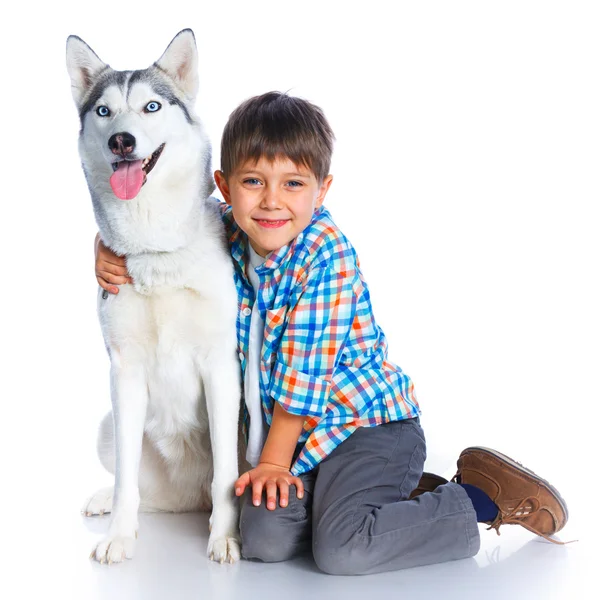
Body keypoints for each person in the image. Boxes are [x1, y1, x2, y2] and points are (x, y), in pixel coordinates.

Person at [93, 91, 569, 575]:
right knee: (261, 541)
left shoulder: (326, 256)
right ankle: (371, 498)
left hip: (365, 428)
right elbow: (163, 222)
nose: (272, 201)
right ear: (224, 185)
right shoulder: (225, 231)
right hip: (299, 445)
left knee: (343, 550)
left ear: (322, 190)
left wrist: (275, 466)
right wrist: (105, 247)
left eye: (293, 183)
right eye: (253, 182)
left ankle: (481, 498)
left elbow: (302, 380)